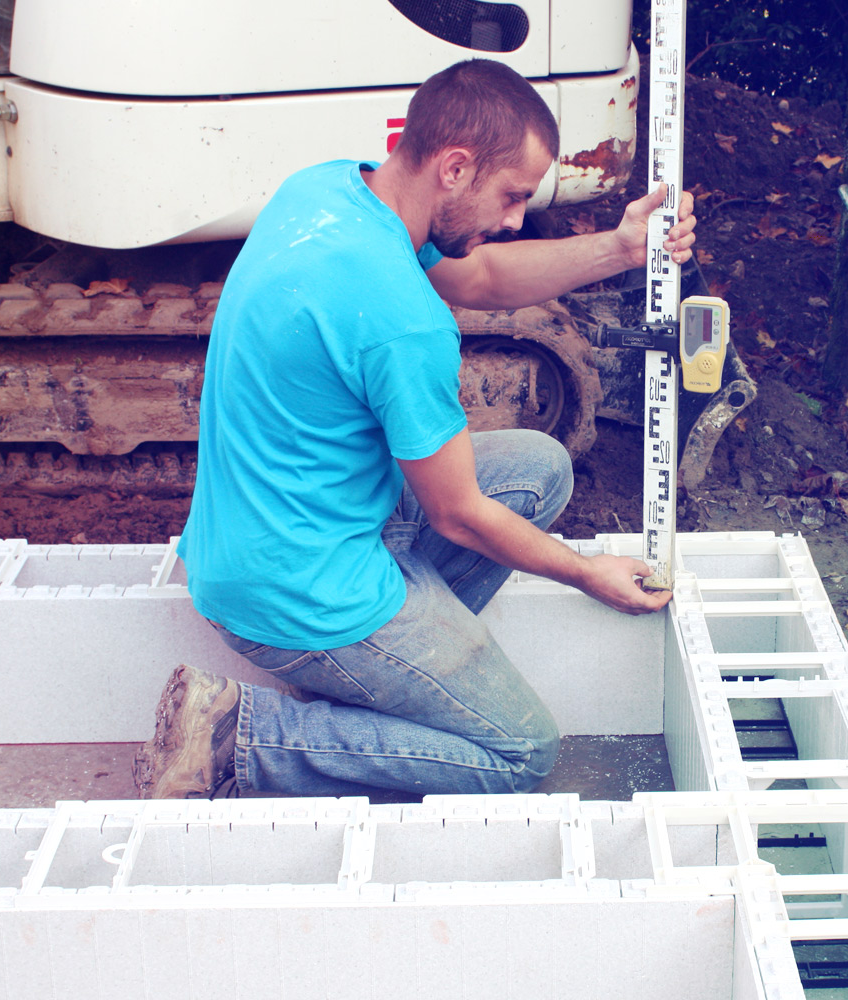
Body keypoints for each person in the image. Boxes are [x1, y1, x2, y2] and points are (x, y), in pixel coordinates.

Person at [133, 58, 696, 799]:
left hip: (269, 535)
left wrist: (619, 250)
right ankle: (240, 741)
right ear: (456, 167)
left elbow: (484, 279)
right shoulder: (400, 318)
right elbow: (458, 515)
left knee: (539, 469)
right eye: (512, 195)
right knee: (520, 751)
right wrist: (587, 571)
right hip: (298, 589)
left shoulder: (330, 190)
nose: (516, 217)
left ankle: (383, 688)